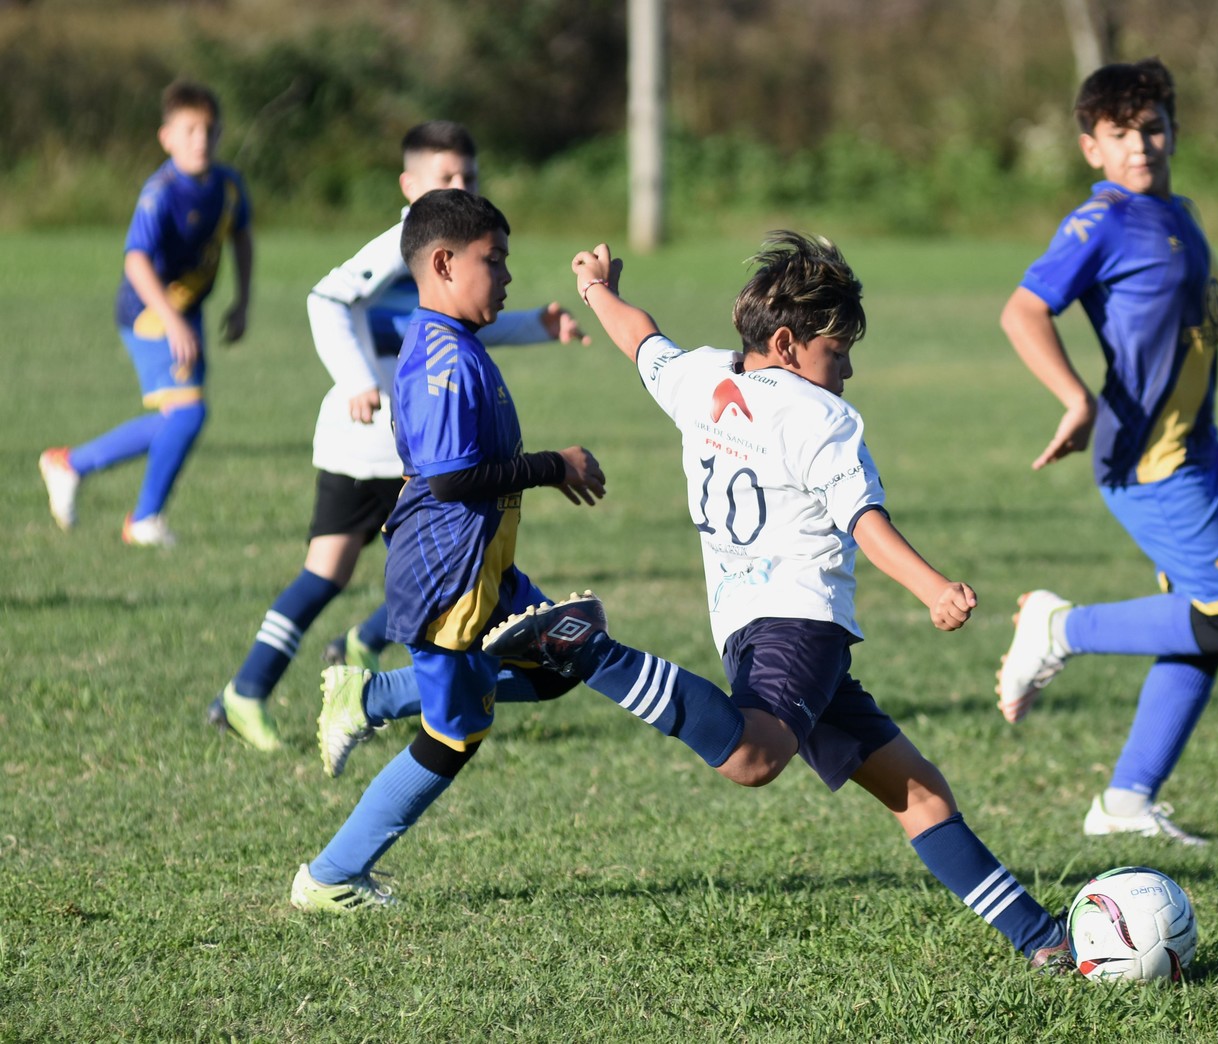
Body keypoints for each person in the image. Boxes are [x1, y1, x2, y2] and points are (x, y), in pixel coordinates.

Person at [475, 232, 1072, 973]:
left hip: (746, 627)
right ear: (788, 343)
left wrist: (598, 290)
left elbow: (640, 341)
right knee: (753, 759)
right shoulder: (822, 420)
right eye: (838, 350)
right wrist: (932, 588)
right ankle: (587, 650)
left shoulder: (699, 378)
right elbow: (864, 521)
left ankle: (1042, 939)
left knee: (917, 791)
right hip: (801, 621)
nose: (848, 368)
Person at [995, 59, 1218, 845]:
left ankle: (1125, 803)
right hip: (1148, 460)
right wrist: (1074, 398)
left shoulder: (1178, 214)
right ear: (1092, 148)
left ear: (1173, 131)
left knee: (1199, 624)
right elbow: (1021, 312)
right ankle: (1058, 630)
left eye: (1151, 128)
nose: (1139, 146)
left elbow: (1205, 325)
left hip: (1196, 450)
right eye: (1119, 134)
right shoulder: (1100, 221)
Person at [207, 120, 586, 752]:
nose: (461, 186)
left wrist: (533, 326)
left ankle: (329, 669)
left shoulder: (448, 252)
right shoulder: (400, 245)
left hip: (411, 445)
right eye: (447, 178)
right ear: (410, 185)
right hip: (368, 442)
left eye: (469, 176)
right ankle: (257, 689)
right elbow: (326, 299)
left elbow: (457, 325)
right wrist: (356, 379)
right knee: (345, 573)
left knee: (433, 576)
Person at [289, 189, 606, 910]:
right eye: (493, 261)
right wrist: (554, 466)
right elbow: (455, 478)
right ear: (442, 262)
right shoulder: (444, 362)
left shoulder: (458, 343)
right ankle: (332, 877)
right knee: (453, 735)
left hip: (484, 561)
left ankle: (368, 693)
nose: (507, 277)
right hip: (449, 576)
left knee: (564, 659)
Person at [38, 80, 253, 548]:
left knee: (179, 415)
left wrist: (243, 303)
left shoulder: (229, 186)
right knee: (189, 413)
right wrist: (173, 321)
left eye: (209, 130)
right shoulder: (160, 192)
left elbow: (242, 236)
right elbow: (135, 260)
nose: (200, 139)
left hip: (188, 309)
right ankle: (142, 519)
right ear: (167, 138)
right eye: (189, 129)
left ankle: (71, 464)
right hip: (148, 312)